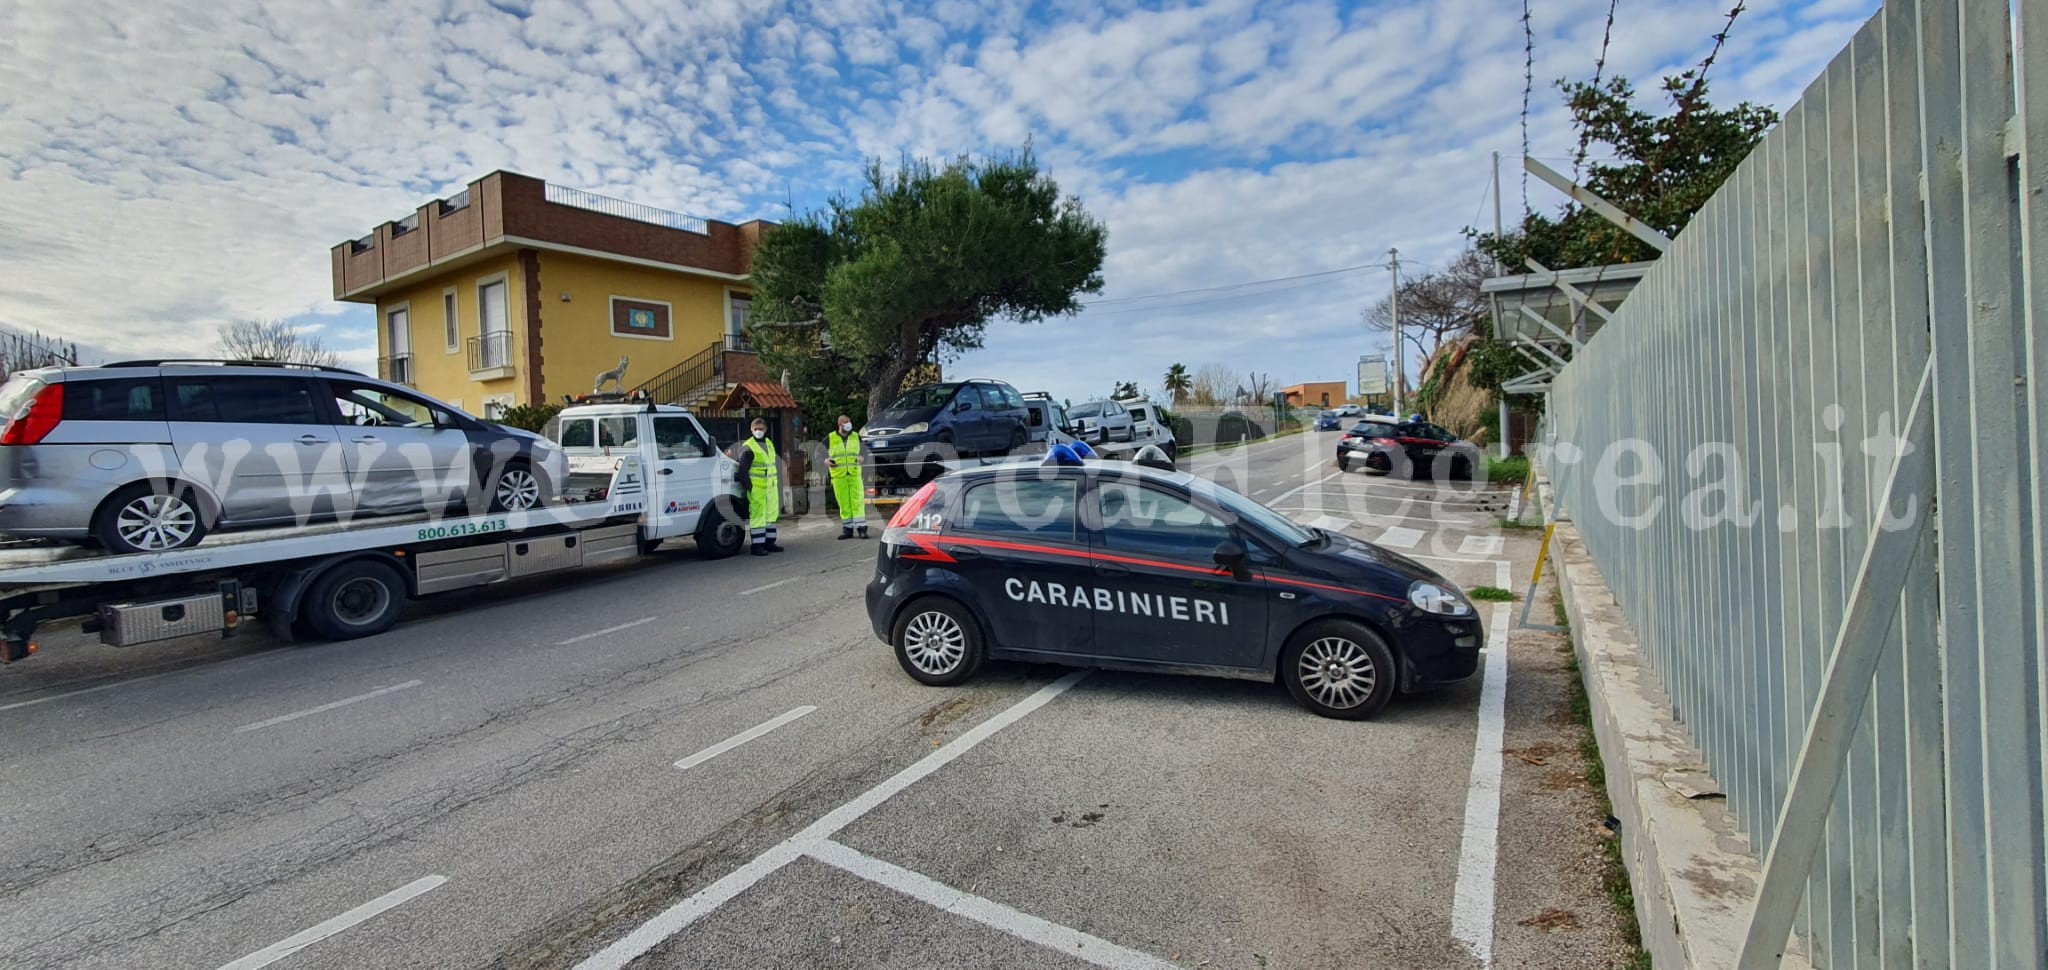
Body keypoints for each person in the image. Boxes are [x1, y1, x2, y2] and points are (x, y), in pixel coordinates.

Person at [733, 417, 782, 555]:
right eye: (756, 429)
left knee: (771, 515)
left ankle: (770, 542)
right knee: (758, 516)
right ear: (751, 430)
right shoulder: (749, 446)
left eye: (761, 429)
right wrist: (750, 488)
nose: (758, 432)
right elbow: (743, 471)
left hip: (770, 486)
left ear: (765, 430)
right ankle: (757, 546)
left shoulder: (769, 443)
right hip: (757, 488)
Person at [827, 414, 867, 540]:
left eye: (849, 422)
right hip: (839, 476)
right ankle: (847, 530)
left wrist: (863, 457)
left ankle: (862, 529)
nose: (849, 424)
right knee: (844, 503)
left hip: (854, 473)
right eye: (846, 422)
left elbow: (865, 451)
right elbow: (819, 452)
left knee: (857, 501)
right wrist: (826, 461)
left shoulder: (855, 436)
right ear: (840, 425)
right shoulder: (831, 437)